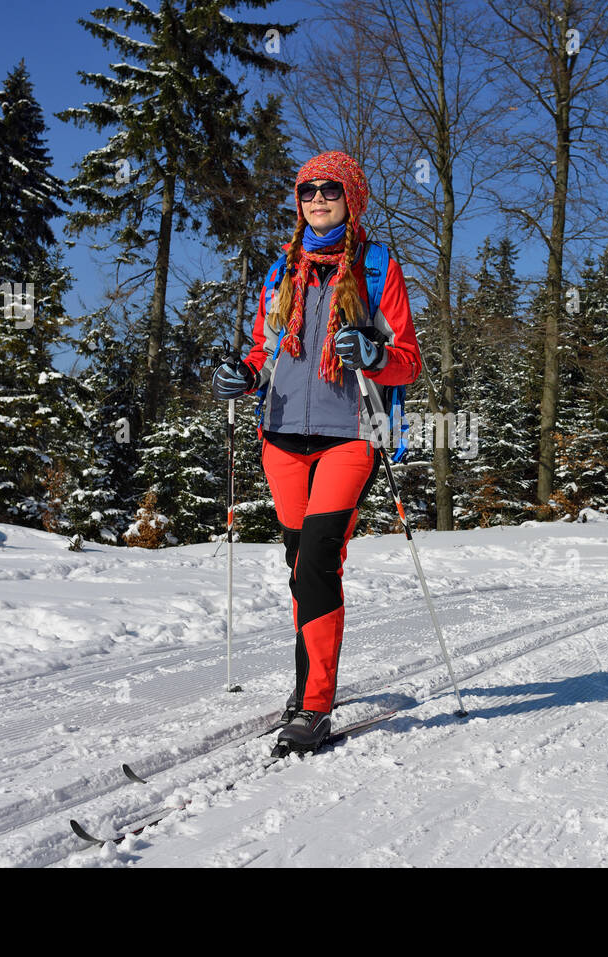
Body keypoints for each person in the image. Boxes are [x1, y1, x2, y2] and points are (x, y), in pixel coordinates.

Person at [209, 150, 422, 754]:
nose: (318, 199)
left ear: (352, 197)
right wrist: (242, 377)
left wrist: (375, 355)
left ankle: (314, 703)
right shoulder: (282, 271)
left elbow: (408, 357)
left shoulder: (377, 267)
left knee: (320, 563)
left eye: (330, 189)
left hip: (349, 434)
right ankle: (308, 682)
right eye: (307, 191)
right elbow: (263, 351)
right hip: (280, 437)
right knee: (299, 565)